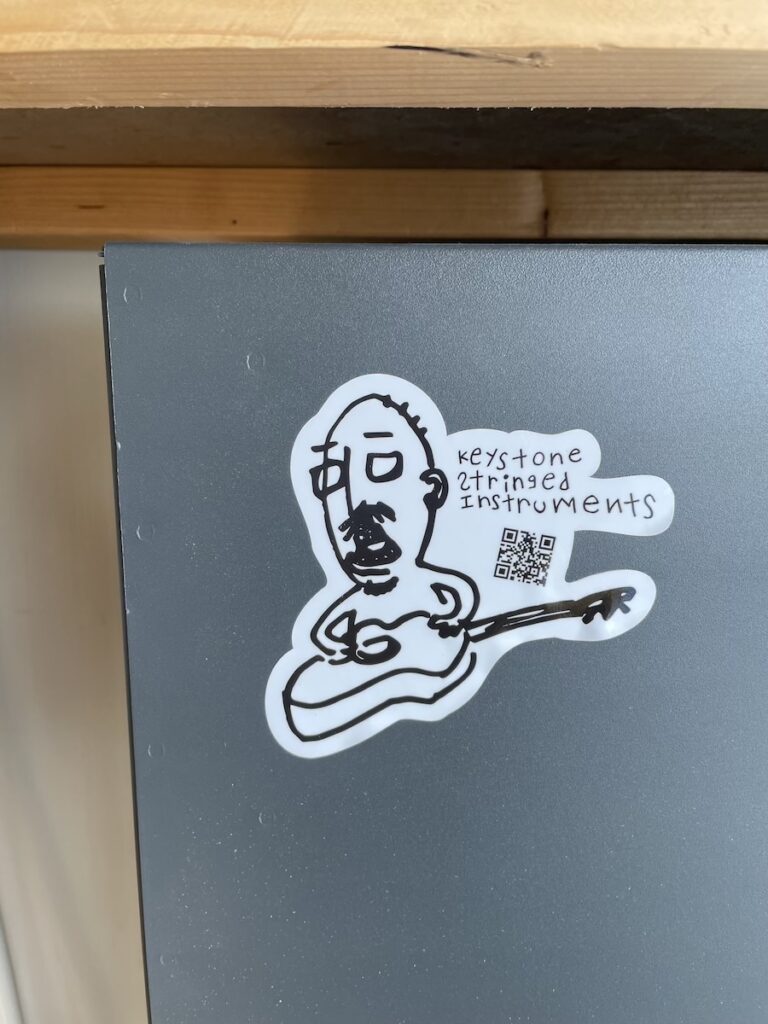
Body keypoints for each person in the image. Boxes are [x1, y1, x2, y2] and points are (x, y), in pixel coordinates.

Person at [283, 392, 480, 743]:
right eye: (333, 478)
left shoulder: (439, 589)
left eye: (383, 467)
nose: (355, 503)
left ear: (432, 490)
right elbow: (327, 635)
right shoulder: (349, 608)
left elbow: (457, 603)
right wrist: (346, 646)